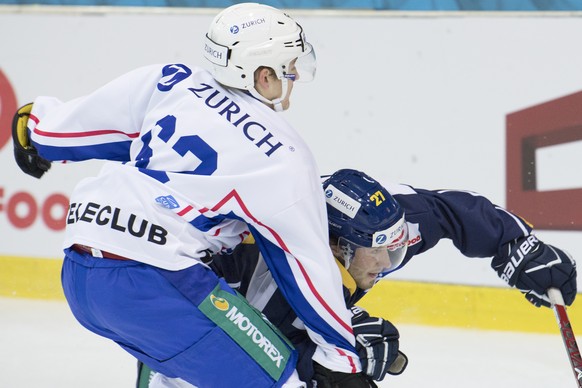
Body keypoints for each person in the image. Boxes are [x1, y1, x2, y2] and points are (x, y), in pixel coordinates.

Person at [10, 4, 381, 387]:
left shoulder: (173, 81)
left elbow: (78, 128)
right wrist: (341, 357)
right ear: (263, 74)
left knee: (174, 372)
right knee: (283, 380)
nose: (295, 75)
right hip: (155, 281)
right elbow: (306, 264)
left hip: (79, 273)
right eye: (289, 66)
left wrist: (37, 132)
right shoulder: (283, 157)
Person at [137, 168, 577, 387]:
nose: (388, 263)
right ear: (334, 247)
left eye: (395, 247)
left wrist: (516, 245)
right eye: (379, 253)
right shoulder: (247, 256)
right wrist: (320, 357)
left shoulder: (370, 233)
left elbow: (447, 212)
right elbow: (224, 351)